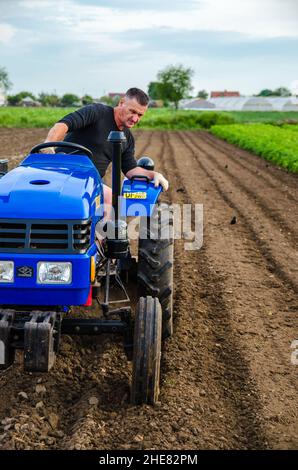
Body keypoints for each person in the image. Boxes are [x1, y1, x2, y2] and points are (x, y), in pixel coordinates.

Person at [42, 88, 169, 218]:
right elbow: (64, 124)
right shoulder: (97, 113)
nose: (135, 118)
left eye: (140, 115)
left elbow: (131, 169)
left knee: (112, 199)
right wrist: (49, 145)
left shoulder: (127, 138)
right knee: (108, 196)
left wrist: (154, 174)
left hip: (90, 183)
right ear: (121, 103)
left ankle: (99, 237)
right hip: (63, 173)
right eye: (132, 111)